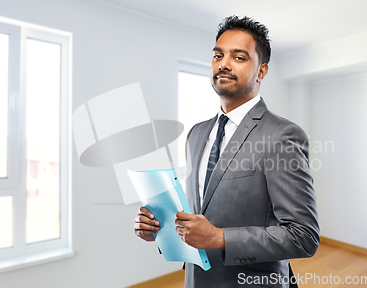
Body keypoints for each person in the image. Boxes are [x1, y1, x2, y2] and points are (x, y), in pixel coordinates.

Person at [134, 15, 319, 288]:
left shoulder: (281, 135)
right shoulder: (196, 134)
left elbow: (303, 236)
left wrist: (219, 238)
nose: (223, 64)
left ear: (262, 71)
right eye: (218, 55)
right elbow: (198, 214)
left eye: (239, 57)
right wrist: (159, 230)